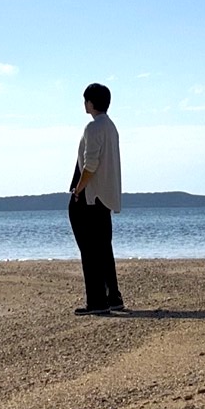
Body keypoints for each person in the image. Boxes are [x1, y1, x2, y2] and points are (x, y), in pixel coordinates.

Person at [68, 82, 123, 315]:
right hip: (104, 197)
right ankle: (113, 297)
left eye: (85, 100)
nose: (84, 104)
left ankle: (97, 301)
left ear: (91, 103)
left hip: (92, 196)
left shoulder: (94, 128)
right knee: (103, 248)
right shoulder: (110, 127)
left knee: (90, 249)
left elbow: (91, 164)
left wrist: (79, 190)